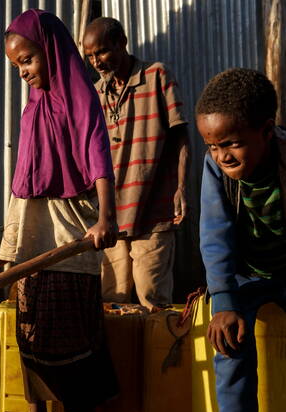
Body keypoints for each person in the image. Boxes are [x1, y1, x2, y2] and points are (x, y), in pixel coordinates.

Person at [0, 9, 119, 412]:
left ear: (50, 50)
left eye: (28, 60)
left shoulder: (79, 96)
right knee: (28, 324)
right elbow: (26, 176)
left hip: (68, 227)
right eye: (16, 66)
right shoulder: (35, 105)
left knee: (66, 327)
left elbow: (97, 156)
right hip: (31, 228)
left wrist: (106, 217)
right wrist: (9, 244)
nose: (23, 72)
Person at [197, 68, 286, 412]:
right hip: (245, 274)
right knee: (228, 345)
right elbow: (215, 235)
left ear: (266, 131)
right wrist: (224, 300)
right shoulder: (215, 170)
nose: (222, 156)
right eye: (213, 146)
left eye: (231, 143)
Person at [82, 17, 190, 310]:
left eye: (102, 52)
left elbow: (180, 137)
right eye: (90, 56)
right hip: (110, 218)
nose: (97, 62)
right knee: (111, 303)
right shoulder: (95, 94)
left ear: (122, 43)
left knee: (154, 303)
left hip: (153, 212)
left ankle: (160, 358)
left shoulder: (157, 76)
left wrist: (181, 187)